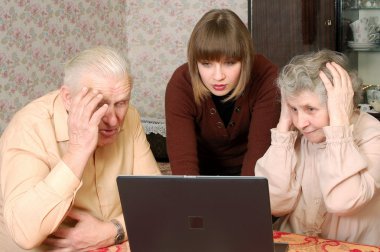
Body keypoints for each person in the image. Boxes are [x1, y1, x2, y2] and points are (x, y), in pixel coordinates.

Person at [0, 46, 161, 251]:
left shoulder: (130, 118)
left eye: (121, 103)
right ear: (68, 97)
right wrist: (77, 151)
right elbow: (24, 234)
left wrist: (111, 231)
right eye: (99, 104)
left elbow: (157, 203)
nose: (113, 120)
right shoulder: (29, 127)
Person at [255, 49, 380, 246]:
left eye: (310, 109)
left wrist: (338, 125)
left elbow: (341, 202)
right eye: (294, 109)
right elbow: (272, 203)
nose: (301, 122)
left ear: (341, 102)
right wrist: (283, 128)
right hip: (293, 246)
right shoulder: (295, 133)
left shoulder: (373, 135)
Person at [165, 9, 280, 176]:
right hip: (201, 174)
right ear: (194, 62)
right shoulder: (181, 84)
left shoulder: (266, 76)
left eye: (230, 63)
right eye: (206, 64)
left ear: (246, 60)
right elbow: (184, 163)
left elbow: (259, 154)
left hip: (253, 171)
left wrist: (244, 196)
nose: (218, 76)